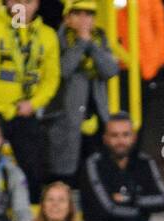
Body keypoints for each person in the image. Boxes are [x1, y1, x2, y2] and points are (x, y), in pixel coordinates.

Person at [0, 0, 60, 189]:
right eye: (17, 1)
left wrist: (34, 103)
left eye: (28, 1)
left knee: (34, 166)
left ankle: (32, 211)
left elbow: (52, 78)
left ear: (38, 4)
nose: (22, 7)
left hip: (24, 112)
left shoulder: (47, 35)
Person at [80, 111, 164, 221]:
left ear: (133, 137)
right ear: (105, 139)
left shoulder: (145, 162)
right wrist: (140, 207)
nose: (120, 141)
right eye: (115, 135)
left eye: (125, 135)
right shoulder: (93, 163)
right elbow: (106, 210)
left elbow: (163, 200)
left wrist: (131, 199)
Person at [47, 0, 118, 186]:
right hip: (66, 117)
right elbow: (63, 70)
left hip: (96, 115)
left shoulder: (100, 38)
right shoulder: (56, 39)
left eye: (89, 14)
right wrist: (81, 44)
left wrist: (91, 46)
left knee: (97, 173)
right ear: (67, 18)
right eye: (78, 14)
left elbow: (110, 70)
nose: (84, 19)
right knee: (66, 173)